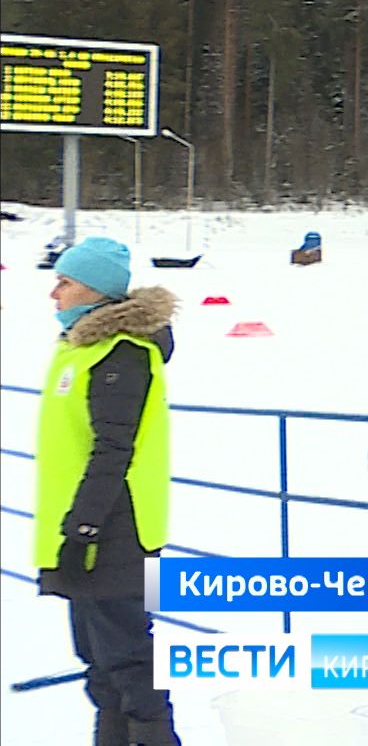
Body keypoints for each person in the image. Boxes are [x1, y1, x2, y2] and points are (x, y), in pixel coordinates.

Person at [37, 236, 180, 746]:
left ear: (95, 291)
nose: (54, 293)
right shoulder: (84, 348)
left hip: (115, 529)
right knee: (98, 661)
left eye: (66, 282)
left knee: (127, 659)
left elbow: (113, 450)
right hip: (83, 527)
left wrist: (83, 530)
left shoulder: (123, 355)